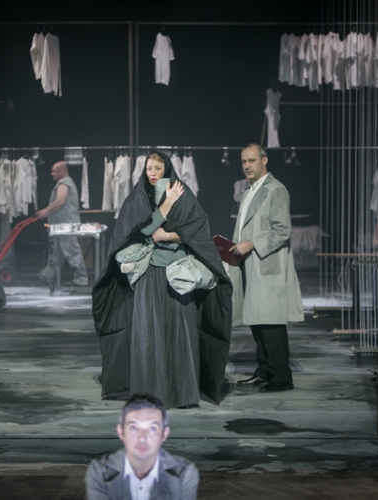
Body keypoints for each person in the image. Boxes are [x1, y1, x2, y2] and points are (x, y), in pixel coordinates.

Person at [92, 151, 232, 409]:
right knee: (149, 332)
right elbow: (144, 229)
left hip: (178, 274)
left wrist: (169, 235)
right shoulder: (139, 197)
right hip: (149, 274)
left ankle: (182, 393)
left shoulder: (183, 194)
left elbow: (198, 230)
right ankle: (151, 393)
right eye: (148, 168)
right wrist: (167, 205)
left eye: (157, 168)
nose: (152, 173)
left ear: (166, 169)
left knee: (179, 331)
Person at [230, 144, 303, 393]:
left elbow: (282, 230)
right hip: (250, 263)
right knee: (257, 321)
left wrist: (251, 244)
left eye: (251, 161)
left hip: (267, 264)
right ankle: (264, 372)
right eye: (244, 162)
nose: (247, 166)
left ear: (264, 160)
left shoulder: (276, 189)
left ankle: (281, 377)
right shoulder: (249, 191)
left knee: (271, 322)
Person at [85, 393, 199, 500]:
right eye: (133, 428)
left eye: (152, 428)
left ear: (164, 434)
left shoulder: (184, 473)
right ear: (121, 432)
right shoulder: (99, 471)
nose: (142, 438)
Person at [35, 161, 88, 286]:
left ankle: (82, 278)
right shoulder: (65, 183)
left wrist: (46, 211)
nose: (52, 174)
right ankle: (48, 274)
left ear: (61, 171)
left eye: (54, 171)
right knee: (57, 251)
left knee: (71, 250)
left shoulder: (64, 183)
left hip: (66, 225)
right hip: (62, 225)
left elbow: (59, 202)